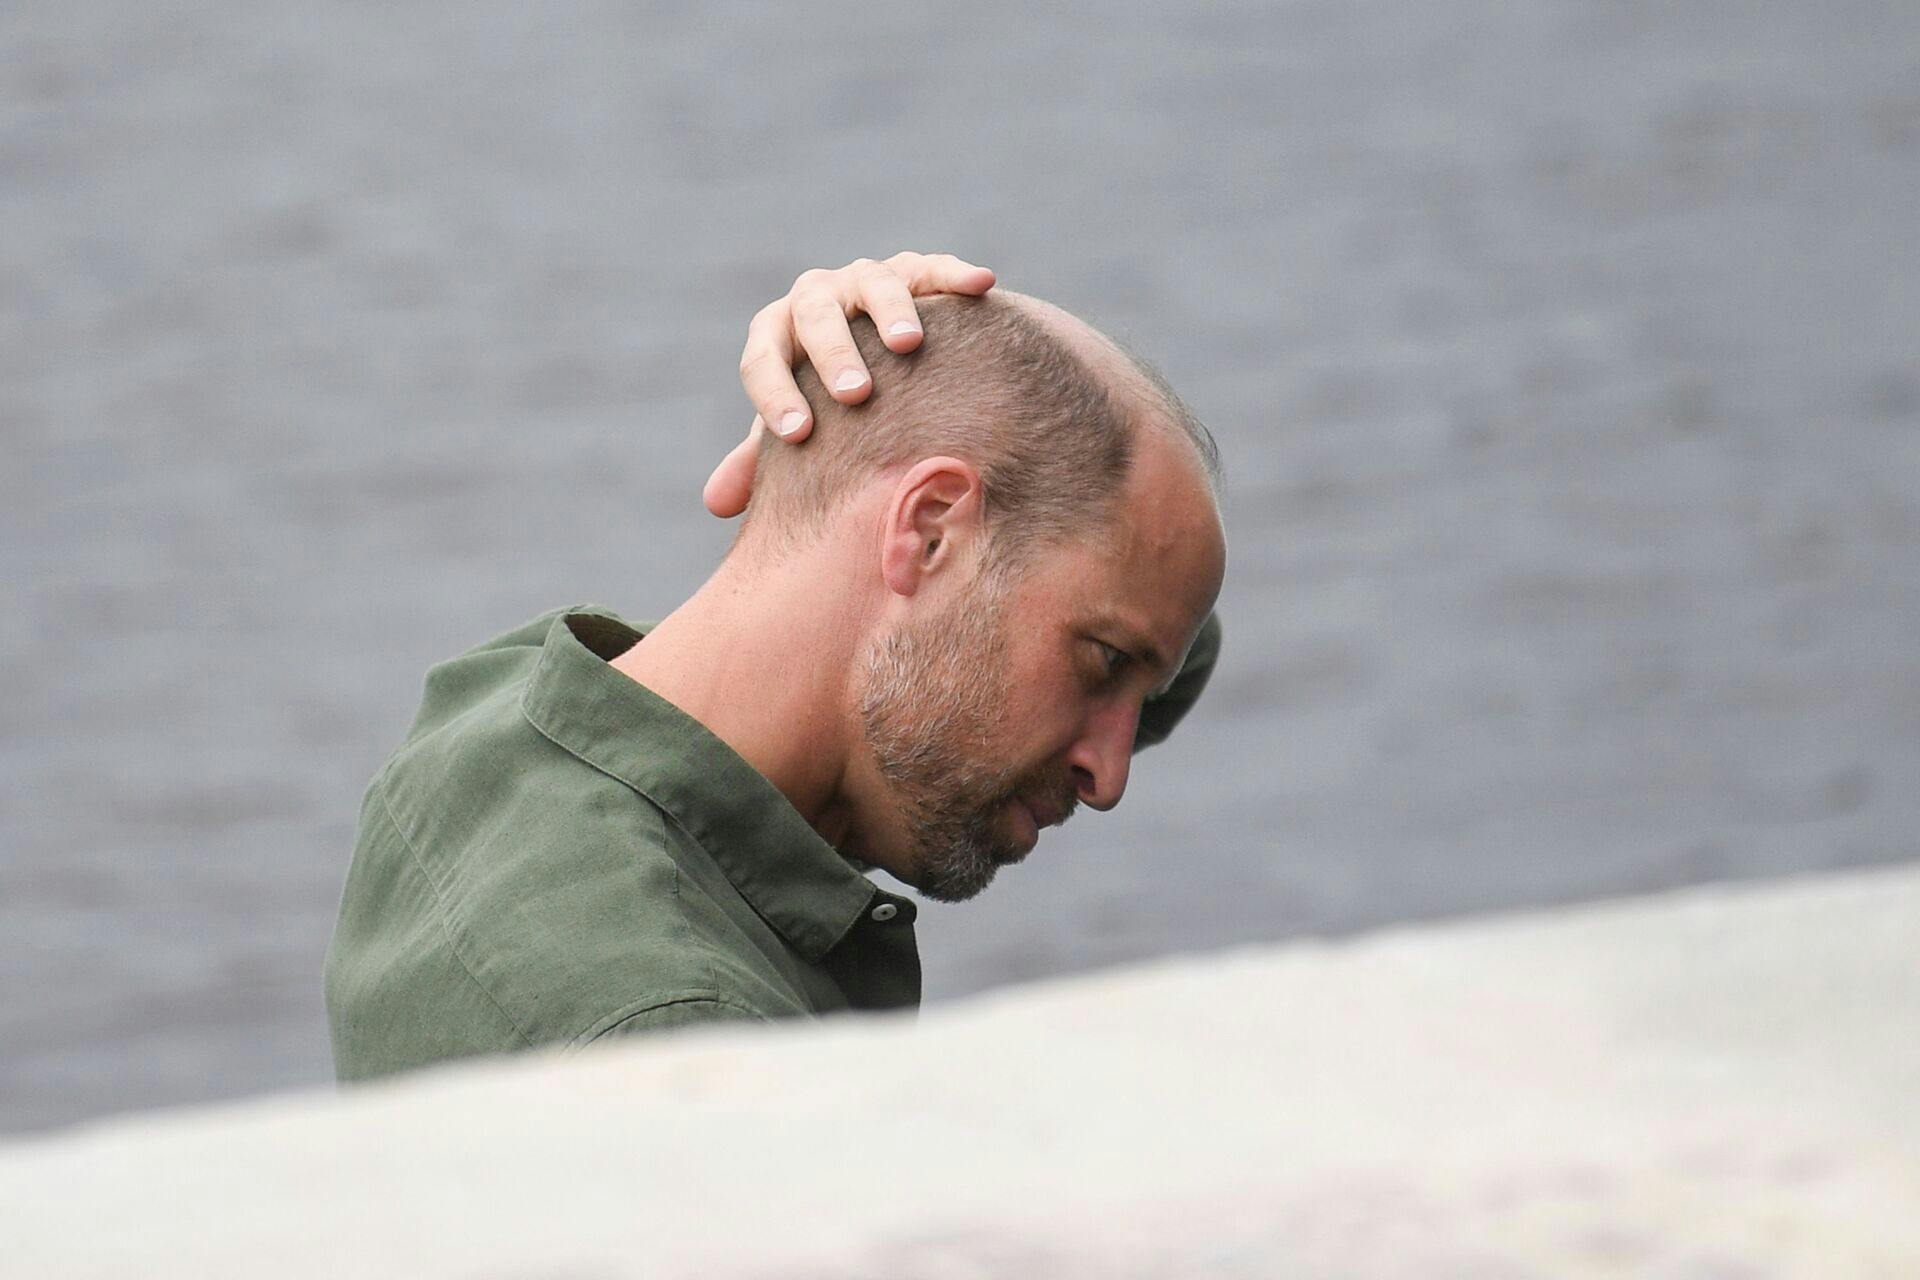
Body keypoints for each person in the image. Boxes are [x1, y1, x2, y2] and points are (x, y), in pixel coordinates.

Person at [324, 253, 1227, 1081]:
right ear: (928, 529)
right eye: (1104, 664)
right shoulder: (679, 1048)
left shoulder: (500, 707)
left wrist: (865, 419)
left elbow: (1134, 603)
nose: (1108, 774)